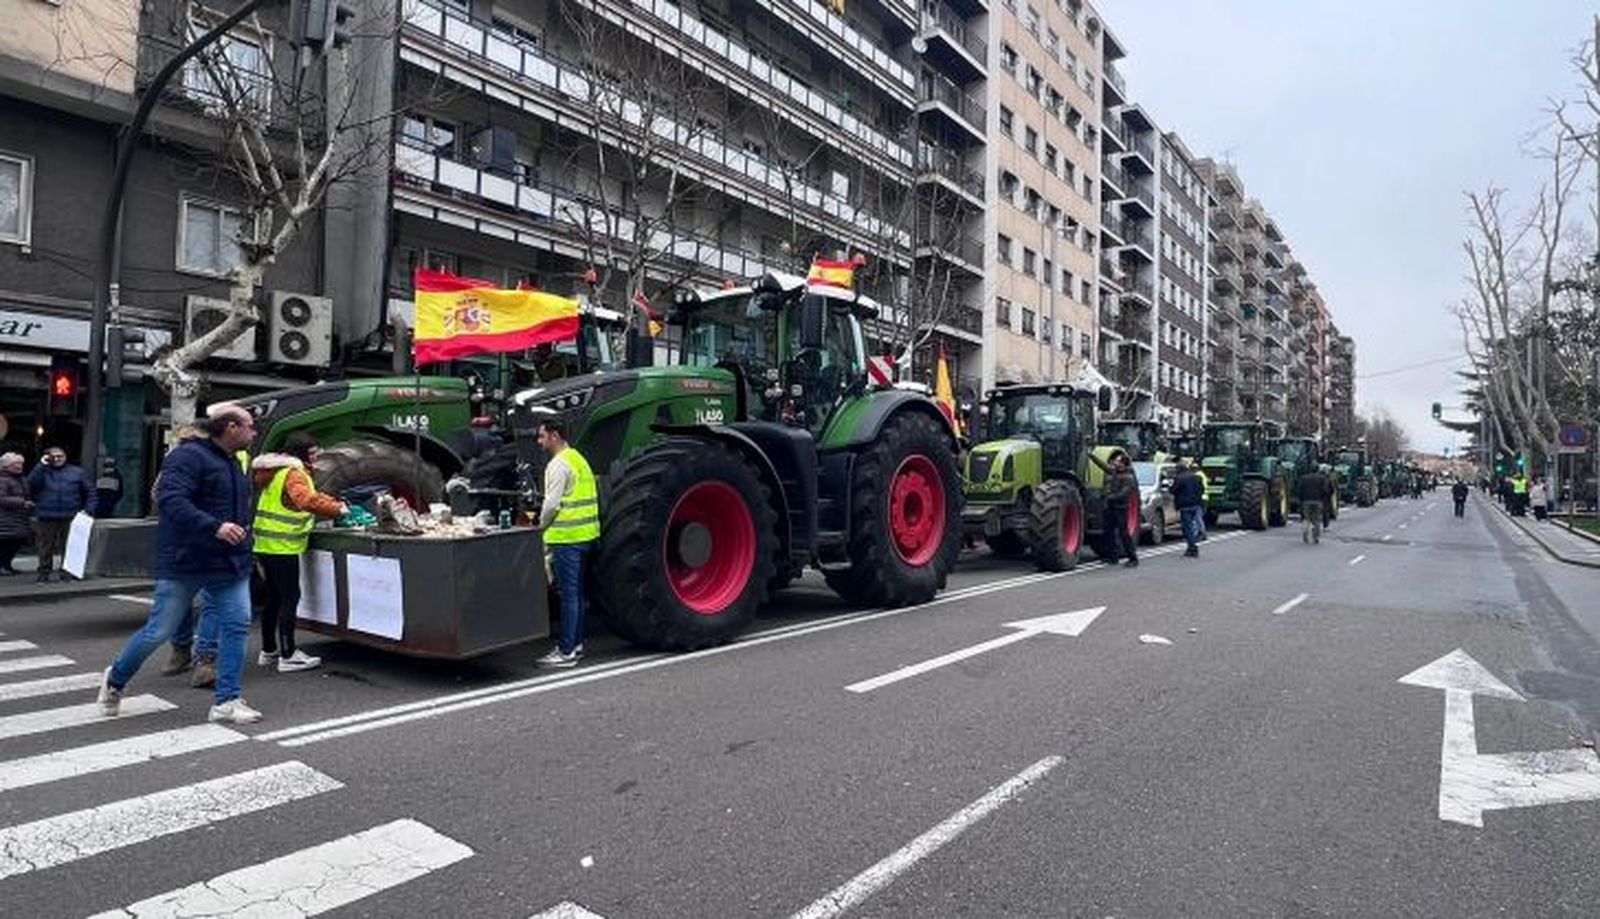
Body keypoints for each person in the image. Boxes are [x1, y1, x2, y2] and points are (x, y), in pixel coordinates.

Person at [98, 402, 263, 724]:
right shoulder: (188, 456)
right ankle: (115, 680)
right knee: (159, 630)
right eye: (249, 426)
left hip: (228, 561)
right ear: (231, 427)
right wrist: (215, 526)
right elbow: (171, 500)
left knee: (237, 624)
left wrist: (243, 541)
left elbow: (237, 509)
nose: (254, 431)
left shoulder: (233, 461)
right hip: (186, 559)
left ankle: (226, 701)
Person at [250, 432, 348, 672]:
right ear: (301, 453)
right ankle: (288, 654)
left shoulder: (275, 471)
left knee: (273, 598)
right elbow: (305, 500)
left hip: (264, 543)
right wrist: (338, 510)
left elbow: (307, 497)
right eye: (312, 453)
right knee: (289, 598)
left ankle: (269, 650)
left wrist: (331, 500)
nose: (315, 457)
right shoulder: (295, 473)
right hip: (283, 547)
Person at [531, 413, 600, 668]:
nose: (539, 442)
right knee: (578, 594)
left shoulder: (557, 465)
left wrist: (540, 526)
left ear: (554, 435)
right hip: (586, 536)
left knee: (568, 595)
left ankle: (566, 650)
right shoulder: (578, 459)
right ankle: (577, 644)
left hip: (565, 538)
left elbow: (551, 504)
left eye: (541, 436)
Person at [26, 445, 92, 582]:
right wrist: (41, 465)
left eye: (60, 456)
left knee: (69, 546)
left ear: (65, 457)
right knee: (45, 546)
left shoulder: (77, 472)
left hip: (70, 514)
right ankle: (44, 573)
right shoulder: (42, 471)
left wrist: (89, 509)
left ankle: (67, 572)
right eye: (53, 456)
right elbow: (30, 485)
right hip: (46, 514)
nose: (57, 459)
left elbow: (90, 491)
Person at [1090, 452, 1140, 568]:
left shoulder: (1128, 477)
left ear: (1123, 464)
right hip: (1110, 507)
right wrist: (1091, 456)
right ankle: (1113, 557)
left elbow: (1124, 494)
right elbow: (1102, 465)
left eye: (1117, 461)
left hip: (1121, 508)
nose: (1115, 463)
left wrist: (1108, 497)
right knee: (1108, 532)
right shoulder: (1113, 472)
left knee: (1124, 533)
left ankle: (1133, 558)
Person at [0, 453, 34, 575]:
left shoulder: (21, 478)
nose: (19, 466)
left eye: (21, 463)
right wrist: (22, 502)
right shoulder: (3, 479)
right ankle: (2, 566)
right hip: (5, 518)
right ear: (6, 466)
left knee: (14, 542)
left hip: (18, 517)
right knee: (6, 543)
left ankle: (7, 565)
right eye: (16, 464)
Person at [1170, 459, 1205, 558]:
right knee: (1192, 525)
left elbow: (1173, 490)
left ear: (1178, 469)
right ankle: (1192, 546)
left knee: (1187, 528)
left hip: (1185, 506)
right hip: (1196, 504)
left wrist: (1170, 486)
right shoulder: (1197, 477)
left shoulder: (1179, 478)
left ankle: (1192, 548)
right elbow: (1201, 489)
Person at [1298, 464, 1330, 545]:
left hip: (1306, 501)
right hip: (1318, 501)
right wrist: (1323, 498)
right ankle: (1315, 538)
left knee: (1306, 519)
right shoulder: (1321, 478)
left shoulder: (1303, 478)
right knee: (1316, 520)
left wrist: (1301, 499)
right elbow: (1326, 490)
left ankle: (1305, 534)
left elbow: (1299, 489)